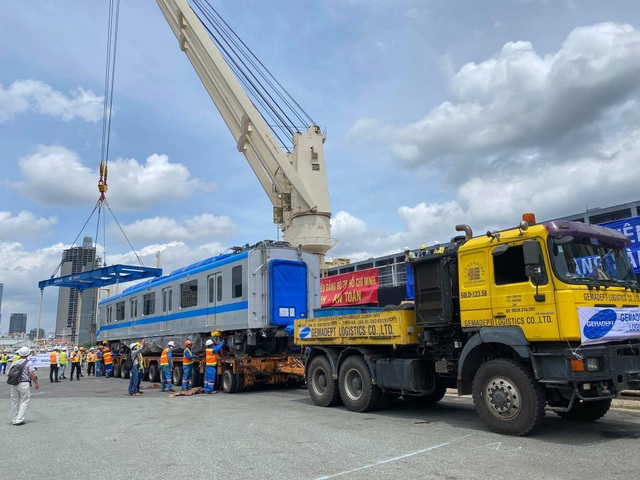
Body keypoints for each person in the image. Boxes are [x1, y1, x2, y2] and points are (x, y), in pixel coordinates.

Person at [9, 346, 39, 425]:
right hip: (24, 383)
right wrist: (36, 382)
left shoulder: (14, 362)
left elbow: (8, 373)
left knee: (14, 401)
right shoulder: (29, 363)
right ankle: (19, 419)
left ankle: (14, 418)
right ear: (28, 354)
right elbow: (31, 373)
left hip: (14, 383)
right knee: (24, 401)